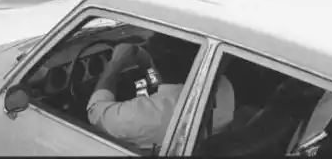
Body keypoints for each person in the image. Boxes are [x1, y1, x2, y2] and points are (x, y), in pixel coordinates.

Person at [87, 38, 234, 152]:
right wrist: (148, 66)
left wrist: (115, 64)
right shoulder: (222, 86)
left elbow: (95, 111)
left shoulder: (142, 116)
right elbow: (164, 85)